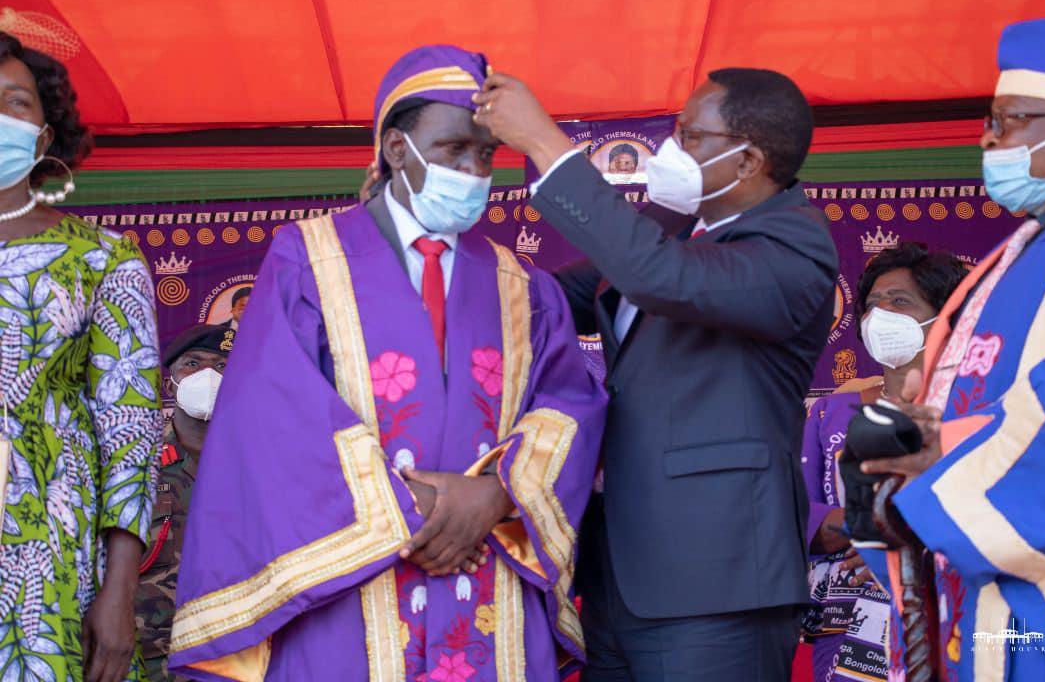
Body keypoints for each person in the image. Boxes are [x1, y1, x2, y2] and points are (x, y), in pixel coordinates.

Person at [169, 45, 605, 680]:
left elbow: (570, 404)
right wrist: (410, 507)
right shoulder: (308, 261)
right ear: (397, 149)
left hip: (487, 573)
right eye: (454, 150)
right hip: (349, 589)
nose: (474, 171)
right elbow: (270, 416)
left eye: (486, 154)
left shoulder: (520, 286)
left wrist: (495, 494)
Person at [474, 67, 839, 680]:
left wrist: (543, 142)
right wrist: (435, 256)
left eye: (690, 135)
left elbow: (658, 276)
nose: (672, 148)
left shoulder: (794, 245)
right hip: (619, 578)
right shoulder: (676, 231)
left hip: (717, 583)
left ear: (748, 161)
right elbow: (547, 300)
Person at [858, 18, 1045, 682]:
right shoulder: (1021, 249)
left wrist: (941, 452)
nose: (989, 138)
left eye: (1012, 120)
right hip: (986, 595)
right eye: (991, 120)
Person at [0, 32, 162, 682]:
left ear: (44, 136)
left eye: (15, 101)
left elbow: (130, 430)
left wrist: (119, 592)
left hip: (50, 560)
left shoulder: (102, 259)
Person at [800, 243, 967, 682]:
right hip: (847, 614)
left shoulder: (973, 407)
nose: (880, 314)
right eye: (873, 303)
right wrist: (863, 529)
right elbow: (793, 509)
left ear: (945, 315)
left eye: (900, 301)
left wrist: (898, 538)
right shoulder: (830, 413)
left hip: (954, 606)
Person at [135, 325, 233, 682]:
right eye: (192, 364)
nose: (208, 375)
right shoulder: (135, 467)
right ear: (170, 384)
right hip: (148, 660)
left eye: (221, 367)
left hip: (232, 658)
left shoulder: (258, 468)